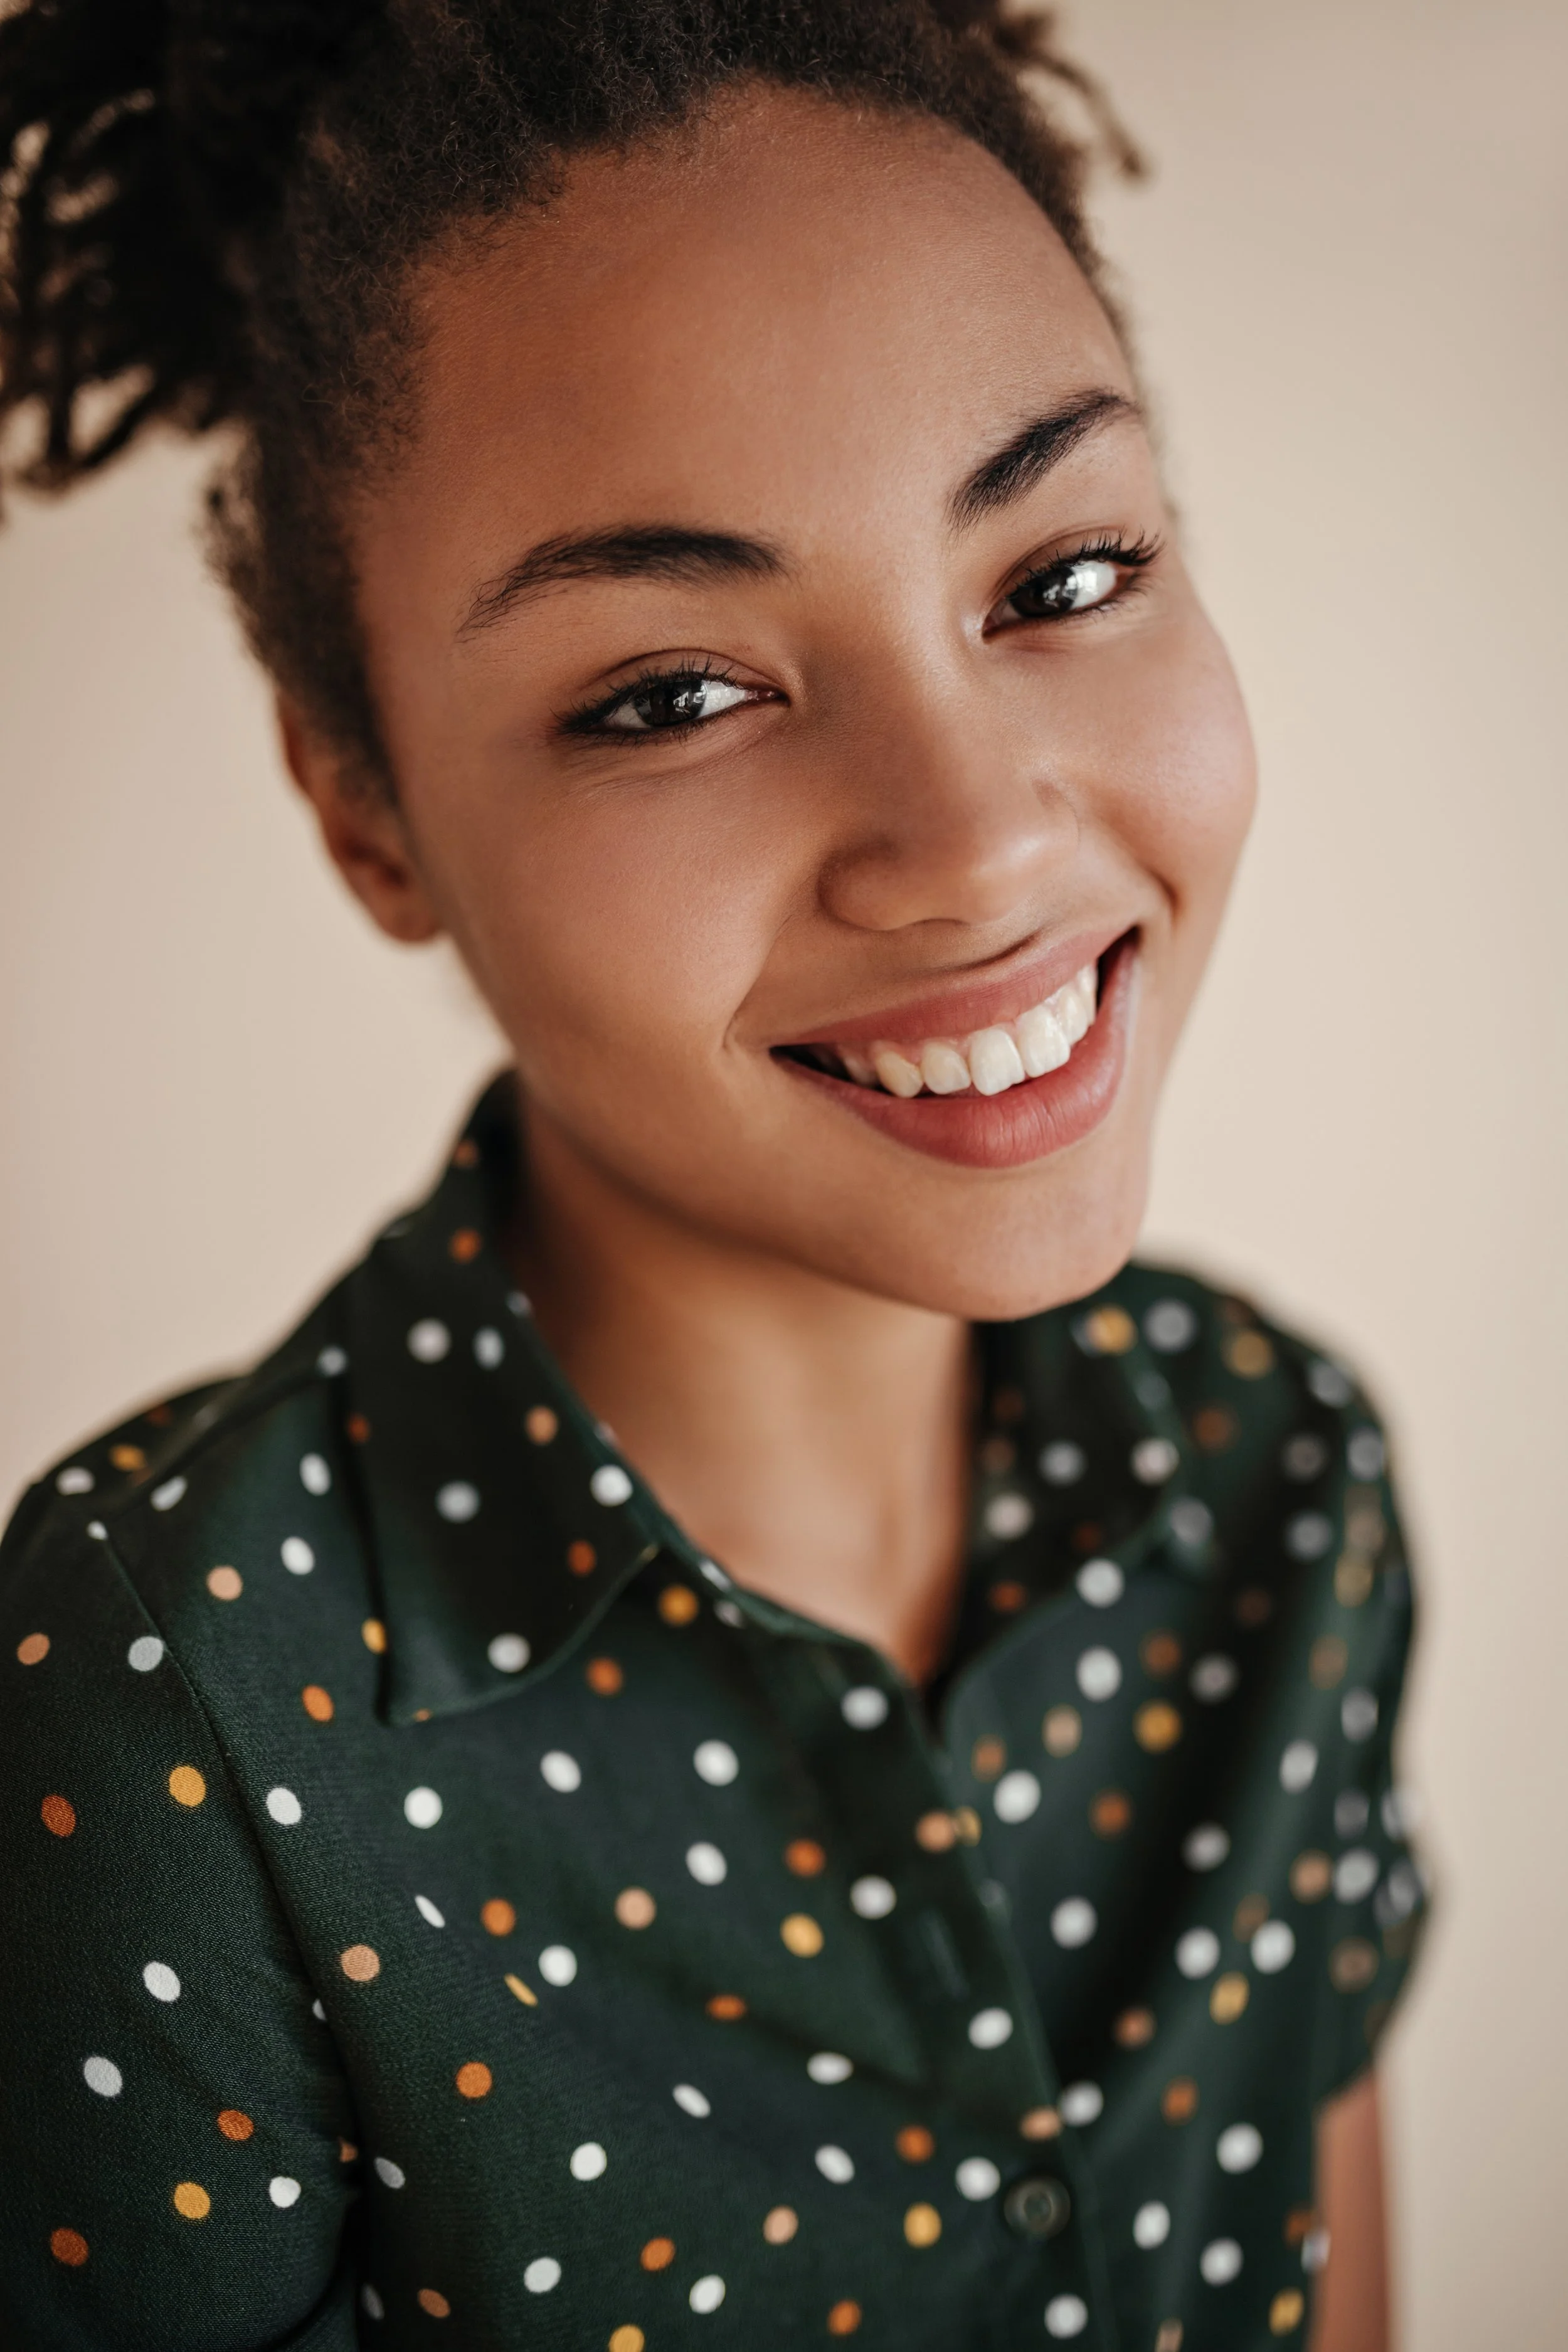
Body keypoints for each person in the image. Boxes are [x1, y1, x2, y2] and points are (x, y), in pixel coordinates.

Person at [0, 5, 1424, 2348]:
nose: (971, 844)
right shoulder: (176, 1716)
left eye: (1059, 574)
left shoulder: (1287, 1479)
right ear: (366, 807)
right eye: (669, 692)